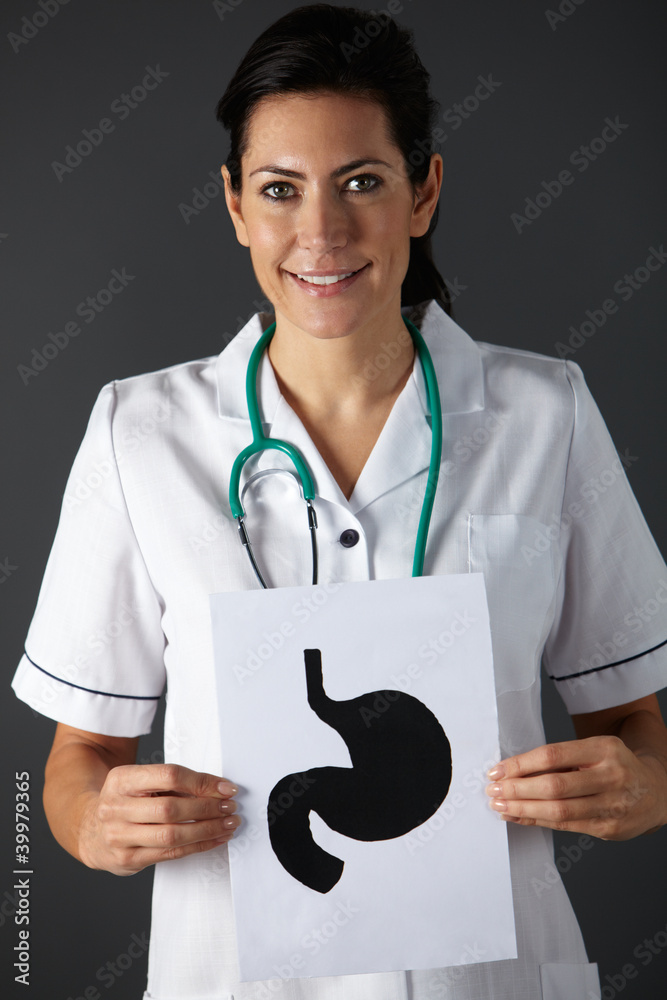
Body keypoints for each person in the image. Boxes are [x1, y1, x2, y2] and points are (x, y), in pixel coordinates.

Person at [11, 4, 667, 998]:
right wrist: (91, 824)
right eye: (280, 189)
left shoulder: (547, 414)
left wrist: (642, 787)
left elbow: (635, 726)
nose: (320, 232)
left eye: (361, 181)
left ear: (423, 191)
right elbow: (76, 760)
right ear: (235, 205)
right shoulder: (138, 434)